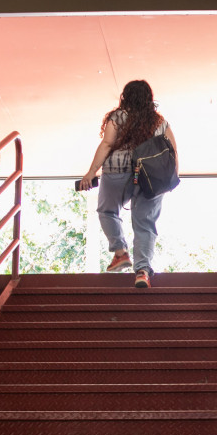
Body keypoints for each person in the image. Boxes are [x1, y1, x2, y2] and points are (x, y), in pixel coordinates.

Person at [79, 80, 177, 288]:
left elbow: (107, 144)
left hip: (117, 171)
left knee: (107, 211)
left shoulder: (117, 117)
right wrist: (170, 179)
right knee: (145, 224)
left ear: (125, 97)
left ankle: (120, 252)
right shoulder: (160, 122)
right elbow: (172, 152)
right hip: (150, 177)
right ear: (149, 99)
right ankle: (142, 271)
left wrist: (91, 172)